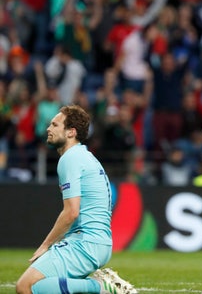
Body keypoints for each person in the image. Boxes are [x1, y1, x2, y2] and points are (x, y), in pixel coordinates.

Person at [15, 105, 137, 294]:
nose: (48, 128)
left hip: (84, 243)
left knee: (25, 286)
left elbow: (71, 212)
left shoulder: (70, 158)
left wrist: (45, 246)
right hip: (97, 243)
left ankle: (100, 286)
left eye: (55, 125)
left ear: (71, 132)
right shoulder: (85, 156)